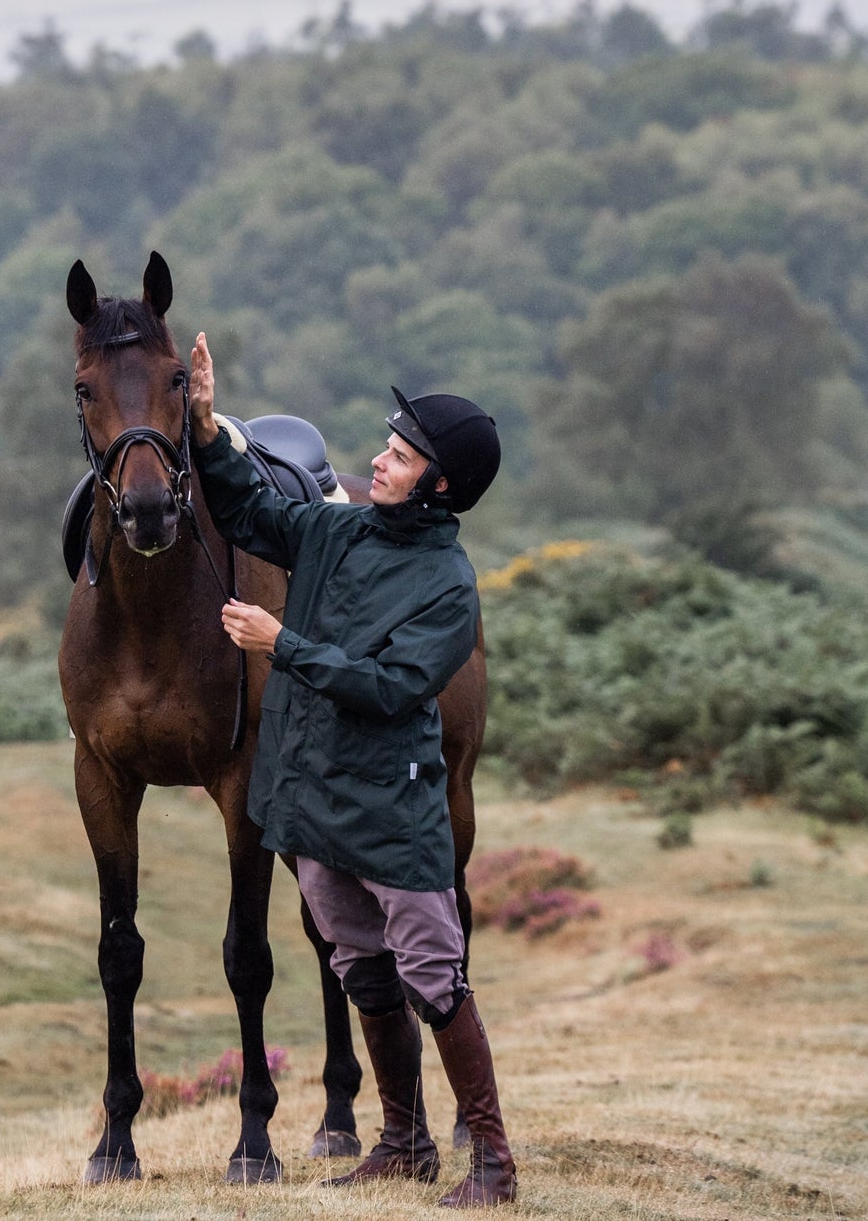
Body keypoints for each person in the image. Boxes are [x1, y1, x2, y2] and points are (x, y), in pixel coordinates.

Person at [188, 331, 517, 1209]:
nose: (378, 460)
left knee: (434, 982)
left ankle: (492, 1162)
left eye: (401, 456)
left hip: (391, 811)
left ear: (440, 485)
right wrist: (204, 426)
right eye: (387, 444)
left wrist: (279, 643)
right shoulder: (336, 532)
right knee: (360, 970)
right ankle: (402, 1143)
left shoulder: (448, 585)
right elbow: (253, 512)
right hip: (314, 802)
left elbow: (391, 686)